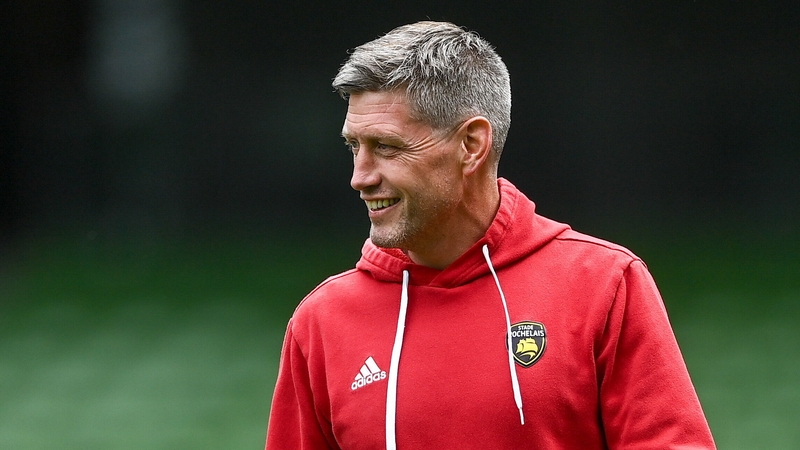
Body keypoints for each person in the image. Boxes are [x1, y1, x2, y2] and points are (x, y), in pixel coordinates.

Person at [265, 21, 715, 449]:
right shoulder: (320, 322)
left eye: (386, 147)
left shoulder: (605, 285)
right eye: (354, 146)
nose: (360, 177)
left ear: (471, 145)